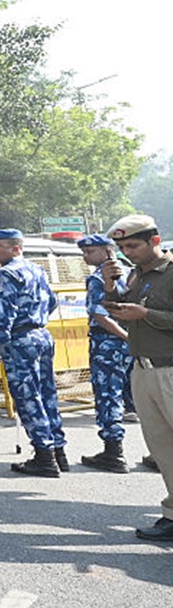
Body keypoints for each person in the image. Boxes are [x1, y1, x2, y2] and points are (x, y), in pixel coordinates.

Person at [100, 214, 173, 541]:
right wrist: (110, 287)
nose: (128, 252)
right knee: (162, 448)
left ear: (154, 241)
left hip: (169, 369)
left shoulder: (169, 274)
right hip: (142, 371)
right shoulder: (136, 276)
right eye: (122, 247)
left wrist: (146, 314)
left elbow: (148, 315)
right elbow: (122, 313)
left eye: (133, 245)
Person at [0, 229, 65, 477]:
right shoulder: (36, 269)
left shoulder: (6, 273)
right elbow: (51, 302)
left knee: (27, 396)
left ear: (16, 248)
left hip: (20, 338)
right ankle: (58, 449)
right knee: (47, 393)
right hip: (40, 334)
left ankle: (44, 455)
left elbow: (2, 313)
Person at [76, 233, 134, 473]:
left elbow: (100, 315)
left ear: (107, 251)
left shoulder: (99, 278)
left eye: (90, 251)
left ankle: (113, 452)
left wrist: (124, 336)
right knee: (129, 394)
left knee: (107, 396)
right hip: (126, 345)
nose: (85, 256)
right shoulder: (127, 273)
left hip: (107, 344)